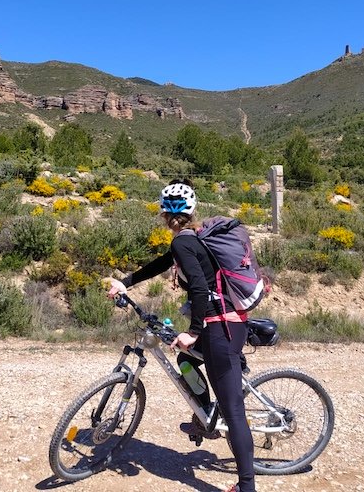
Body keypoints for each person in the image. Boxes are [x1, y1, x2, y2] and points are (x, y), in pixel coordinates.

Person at [107, 179, 255, 492]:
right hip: (224, 324)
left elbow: (200, 288)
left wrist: (193, 331)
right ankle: (204, 416)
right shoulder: (187, 240)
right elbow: (163, 262)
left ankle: (246, 487)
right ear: (191, 210)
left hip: (221, 327)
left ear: (163, 213)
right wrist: (126, 282)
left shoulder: (184, 242)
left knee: (234, 414)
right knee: (186, 358)